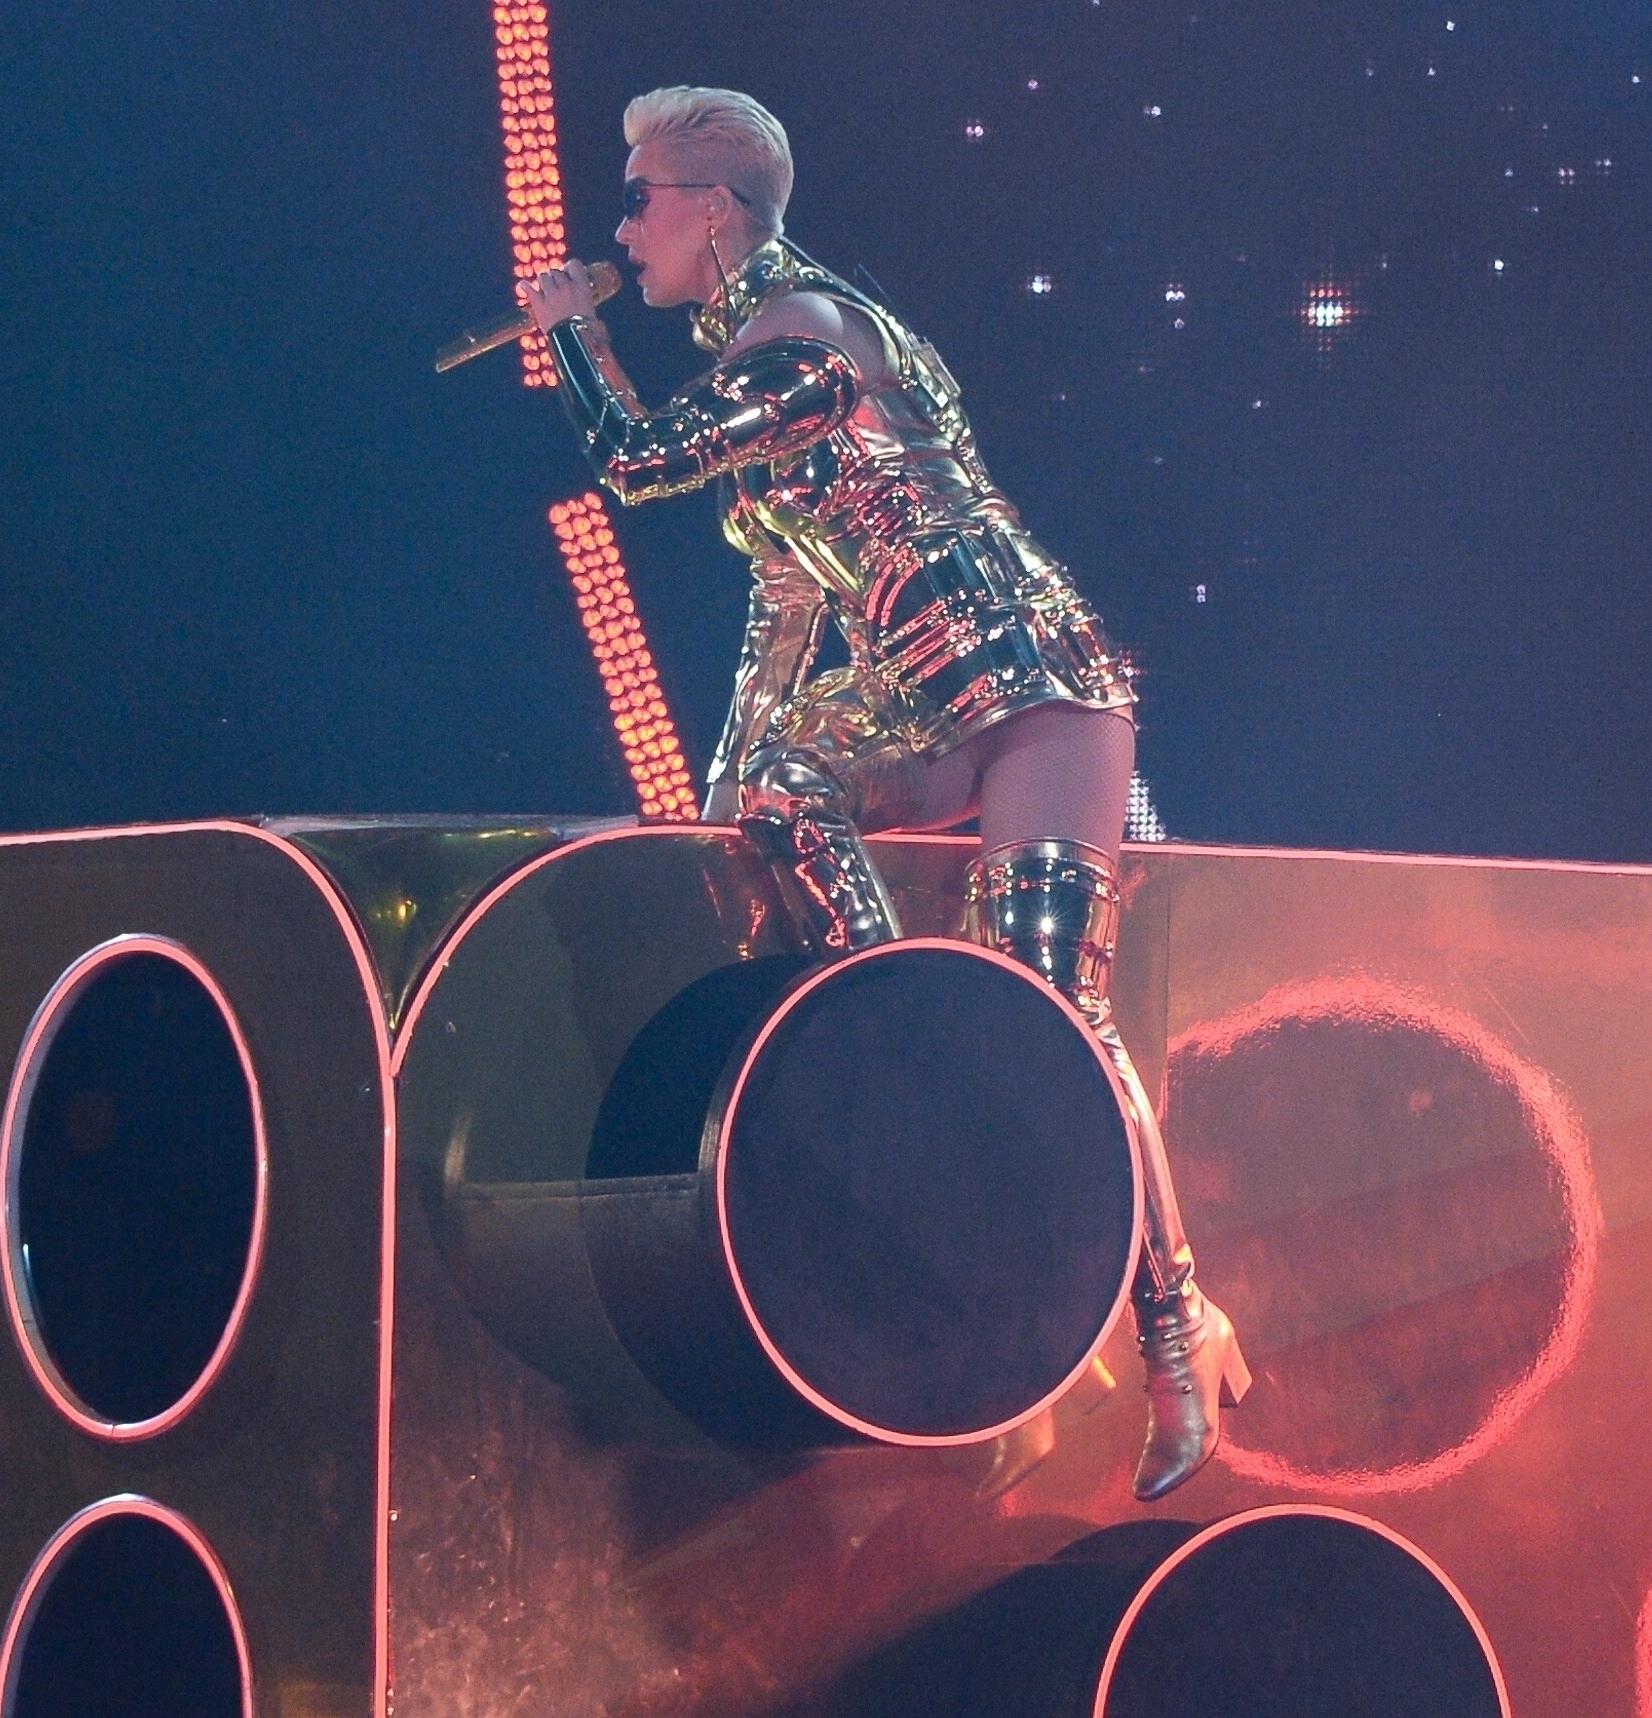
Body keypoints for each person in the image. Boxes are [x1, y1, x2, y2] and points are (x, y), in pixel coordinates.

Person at [520, 87, 1246, 1499]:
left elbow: (638, 462)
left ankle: (1175, 1328)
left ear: (714, 211)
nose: (623, 229)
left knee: (1062, 1019)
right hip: (919, 696)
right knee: (785, 786)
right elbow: (784, 615)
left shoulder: (806, 333)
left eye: (640, 200)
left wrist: (570, 335)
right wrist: (720, 805)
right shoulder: (763, 364)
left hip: (1031, 682)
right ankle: (905, 1021)